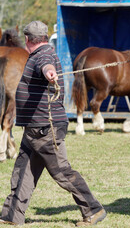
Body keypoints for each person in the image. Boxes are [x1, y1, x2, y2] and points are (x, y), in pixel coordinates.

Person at [0, 21, 106, 226]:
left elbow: (46, 65)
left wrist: (49, 72)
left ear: (29, 40)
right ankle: (12, 215)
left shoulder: (43, 55)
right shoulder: (41, 53)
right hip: (35, 129)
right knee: (23, 173)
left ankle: (93, 209)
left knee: (62, 173)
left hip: (45, 129)